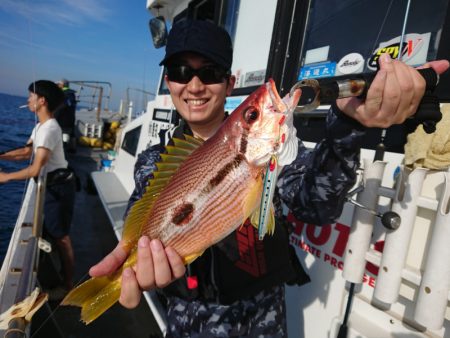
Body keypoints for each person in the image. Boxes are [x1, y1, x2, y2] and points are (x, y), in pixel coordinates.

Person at [89, 20, 449, 336]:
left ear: (229, 83)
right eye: (182, 71)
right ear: (169, 82)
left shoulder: (277, 152)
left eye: (210, 72)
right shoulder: (155, 160)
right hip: (189, 321)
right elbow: (142, 220)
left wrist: (350, 126)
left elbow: (317, 206)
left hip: (264, 320)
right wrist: (131, 266)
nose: (195, 85)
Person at [0, 80, 76, 298]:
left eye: (30, 96)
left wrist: (5, 177)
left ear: (42, 101)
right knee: (57, 234)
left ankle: (68, 285)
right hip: (54, 186)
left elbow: (35, 168)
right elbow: (26, 152)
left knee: (62, 237)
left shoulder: (50, 129)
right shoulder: (40, 126)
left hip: (60, 188)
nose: (28, 100)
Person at [55, 79, 77, 152]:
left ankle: (64, 149)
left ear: (62, 85)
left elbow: (64, 105)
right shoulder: (71, 94)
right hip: (69, 118)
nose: (57, 86)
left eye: (58, 84)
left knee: (65, 134)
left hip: (63, 119)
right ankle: (71, 149)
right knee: (70, 133)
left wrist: (55, 114)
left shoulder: (66, 94)